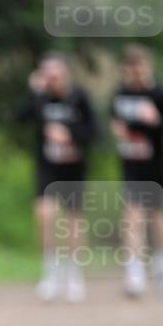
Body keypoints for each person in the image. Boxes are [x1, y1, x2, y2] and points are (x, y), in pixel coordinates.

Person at [17, 53, 96, 302]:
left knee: (73, 222)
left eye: (55, 75)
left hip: (73, 169)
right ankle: (51, 274)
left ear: (66, 74)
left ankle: (74, 275)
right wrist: (33, 93)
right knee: (44, 216)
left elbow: (95, 133)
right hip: (47, 168)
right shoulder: (40, 99)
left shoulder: (79, 98)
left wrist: (70, 135)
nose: (51, 80)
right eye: (46, 75)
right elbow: (19, 118)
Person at [110, 45, 163, 298]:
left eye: (139, 67)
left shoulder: (160, 94)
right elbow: (115, 120)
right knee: (132, 215)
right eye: (130, 68)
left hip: (156, 166)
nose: (135, 73)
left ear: (148, 68)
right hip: (131, 165)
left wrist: (157, 121)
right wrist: (117, 129)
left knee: (159, 216)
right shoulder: (120, 94)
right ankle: (134, 273)